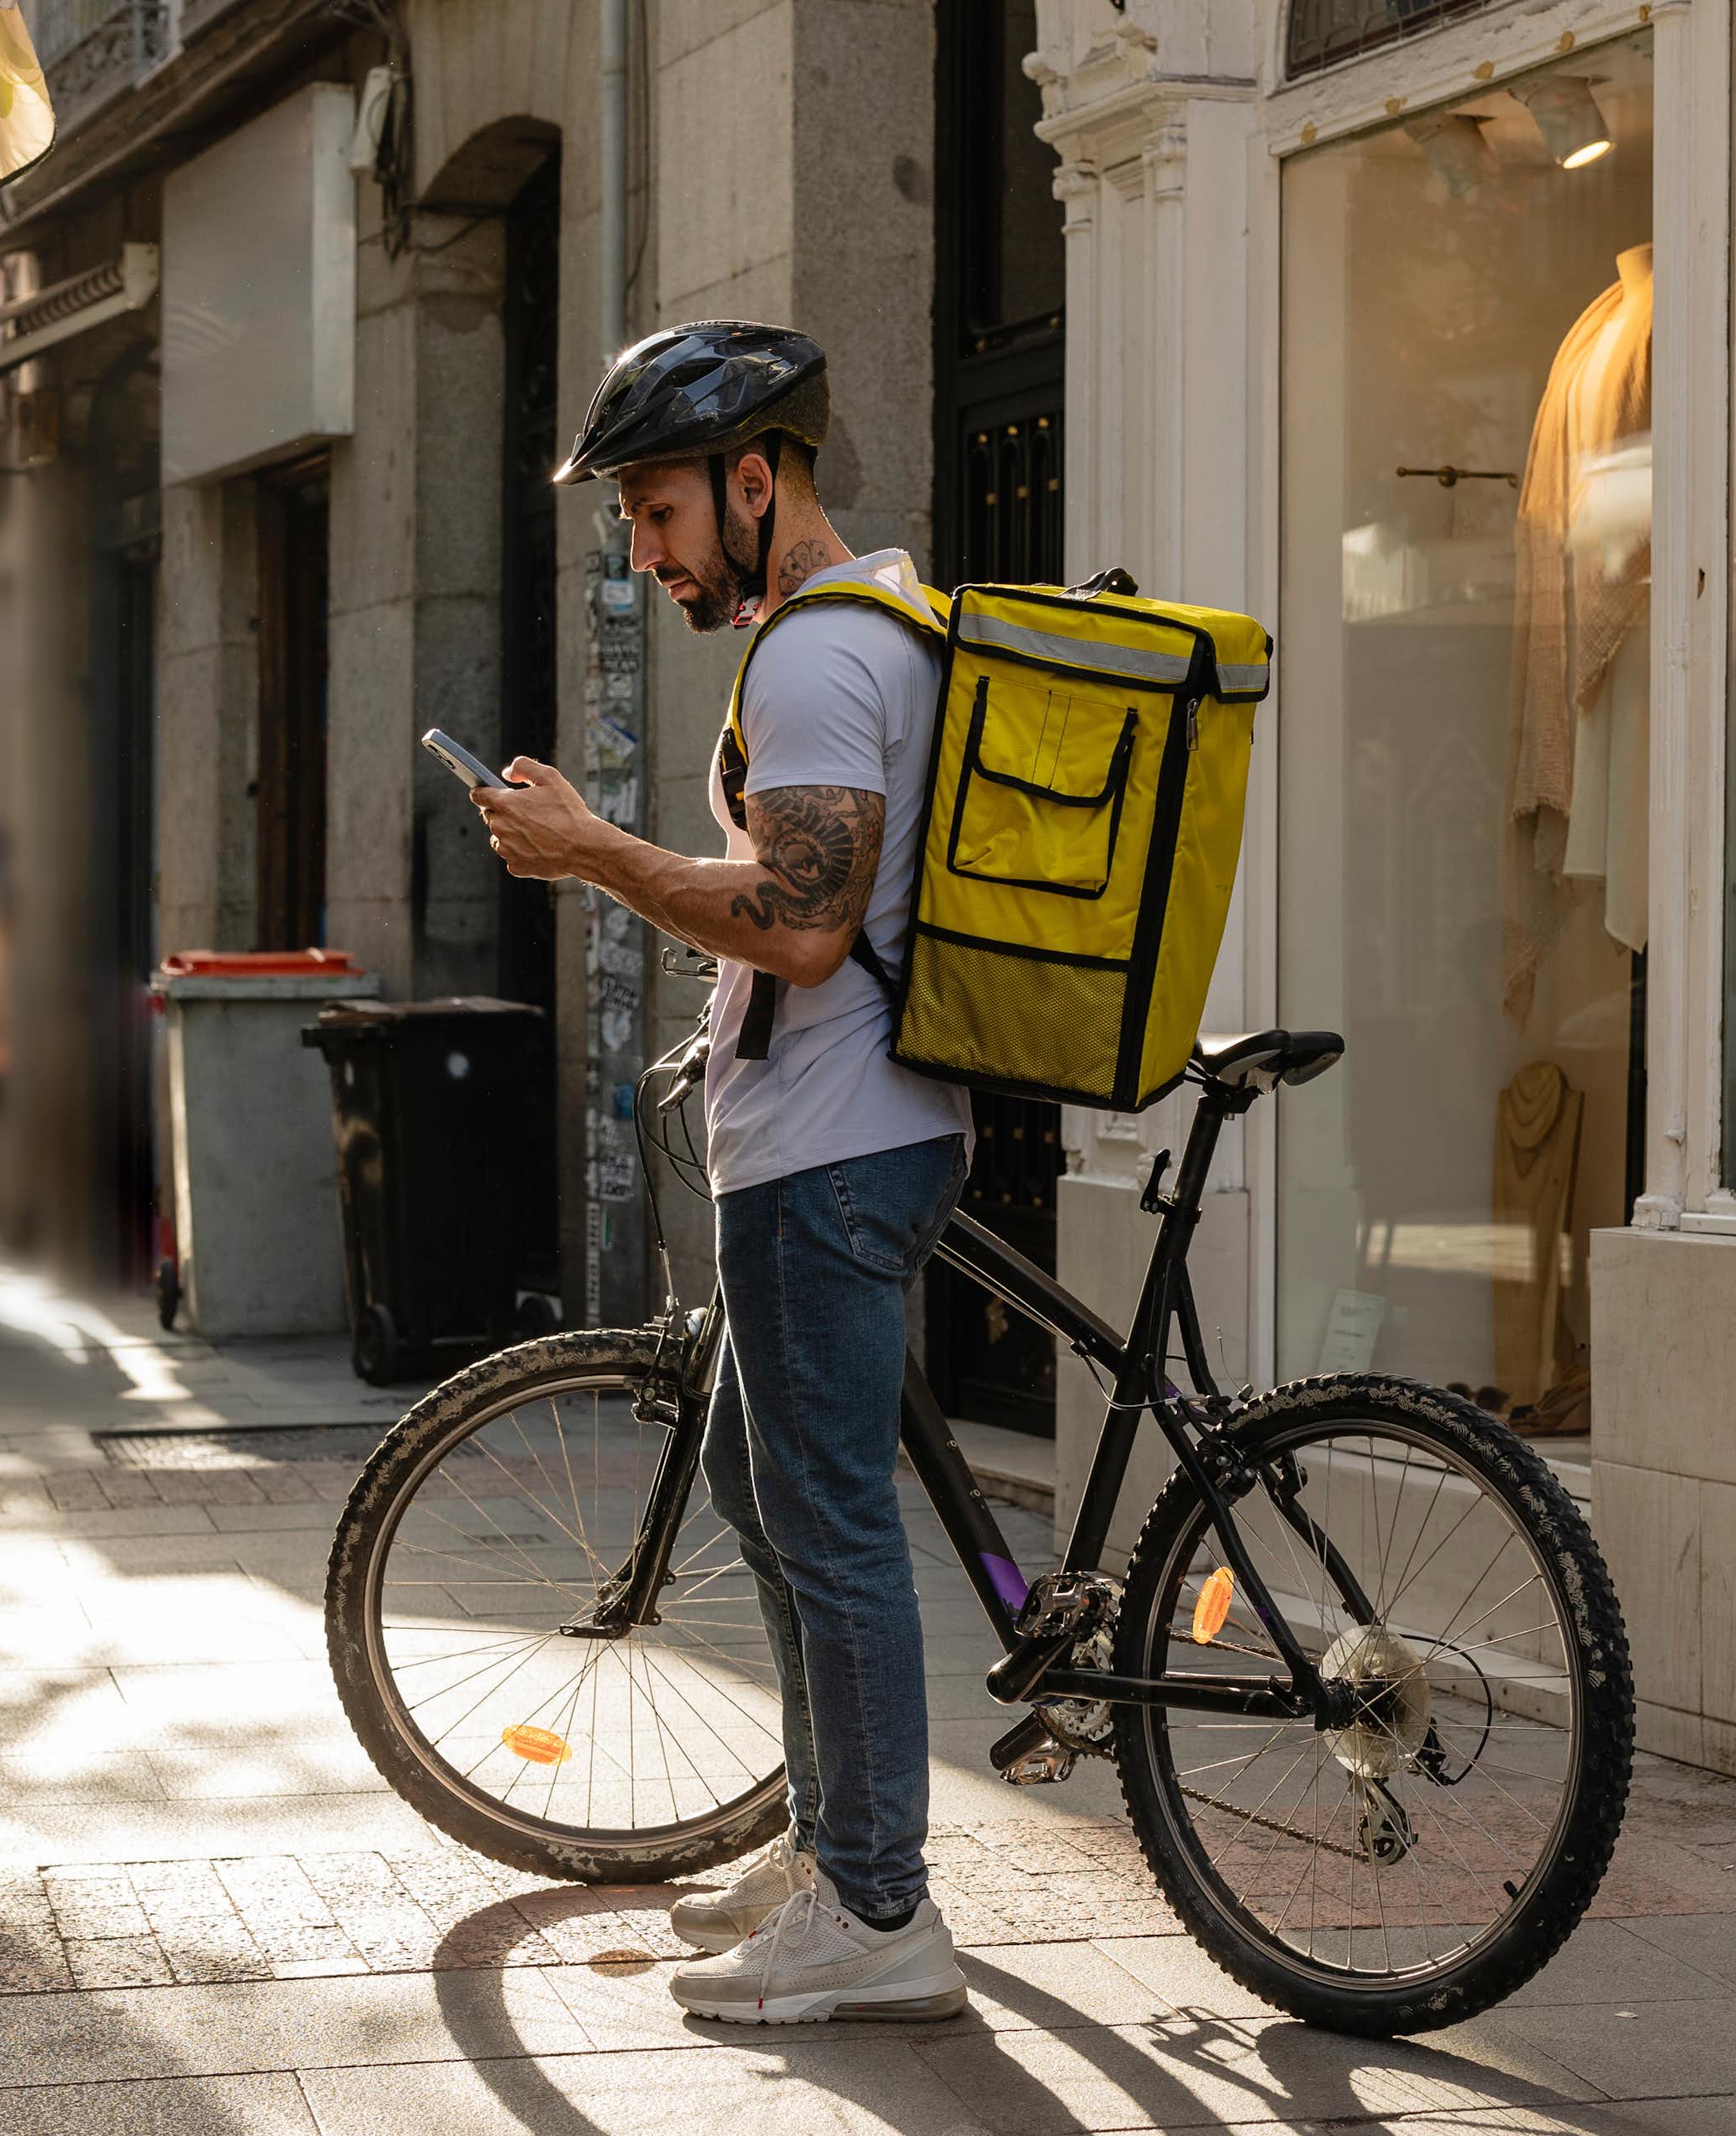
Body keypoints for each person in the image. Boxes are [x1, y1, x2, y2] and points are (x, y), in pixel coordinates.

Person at [475, 323, 974, 2025]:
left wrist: (594, 851)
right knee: (771, 1498)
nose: (644, 545)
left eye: (657, 506)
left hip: (834, 1149)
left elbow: (811, 923)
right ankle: (833, 1845)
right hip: (829, 1130)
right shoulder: (854, 627)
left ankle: (881, 1908)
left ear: (756, 477)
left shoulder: (822, 656)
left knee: (830, 1525)